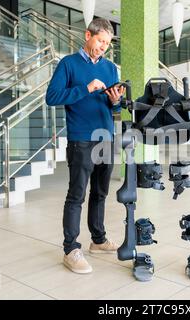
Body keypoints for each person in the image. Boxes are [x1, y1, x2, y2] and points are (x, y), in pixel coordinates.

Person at [45, 18, 125, 274]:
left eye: (107, 44)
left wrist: (115, 102)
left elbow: (116, 107)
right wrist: (86, 88)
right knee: (76, 195)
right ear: (88, 35)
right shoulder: (68, 64)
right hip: (81, 138)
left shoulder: (111, 68)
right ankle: (71, 249)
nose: (103, 47)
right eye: (101, 41)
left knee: (100, 193)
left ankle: (98, 240)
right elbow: (52, 97)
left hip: (107, 137)